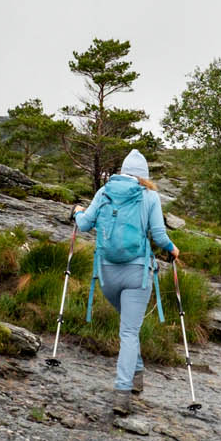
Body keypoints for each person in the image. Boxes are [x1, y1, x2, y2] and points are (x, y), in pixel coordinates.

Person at [73, 149, 180, 414]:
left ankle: (138, 374)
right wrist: (172, 248)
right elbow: (158, 234)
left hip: (107, 274)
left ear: (122, 171)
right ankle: (123, 393)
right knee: (129, 332)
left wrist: (76, 212)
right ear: (144, 176)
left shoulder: (104, 192)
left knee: (128, 327)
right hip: (137, 273)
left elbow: (85, 225)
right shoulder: (150, 196)